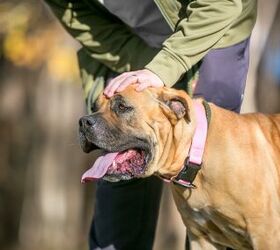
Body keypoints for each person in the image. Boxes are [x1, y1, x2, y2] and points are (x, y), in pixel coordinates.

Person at [44, 0, 257, 249]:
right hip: (129, 42)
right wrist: (154, 76)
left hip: (213, 29)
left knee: (211, 172)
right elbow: (87, 23)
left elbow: (220, 6)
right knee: (122, 163)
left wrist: (165, 68)